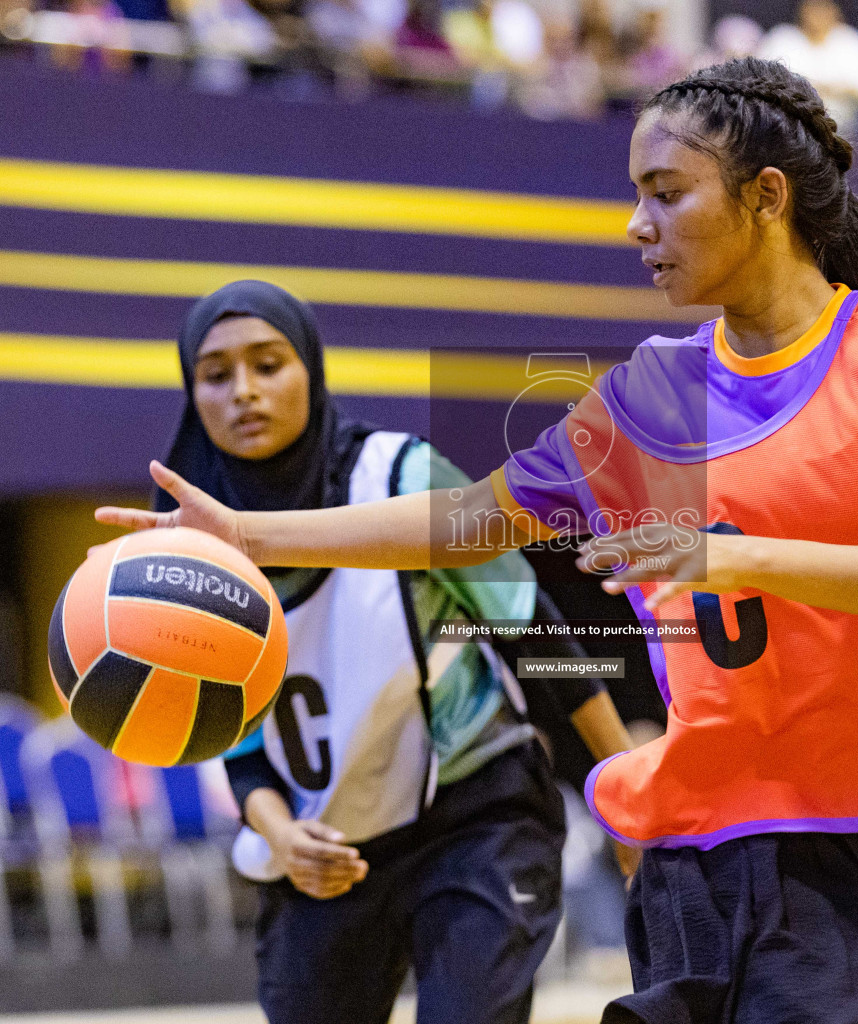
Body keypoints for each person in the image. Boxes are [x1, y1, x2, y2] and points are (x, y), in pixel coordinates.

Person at [99, 58, 858, 1024]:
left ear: (766, 196)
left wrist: (736, 554)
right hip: (744, 843)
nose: (638, 224)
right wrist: (240, 531)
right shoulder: (650, 398)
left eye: (667, 192)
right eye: (636, 194)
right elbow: (465, 521)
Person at [150, 281, 638, 1024]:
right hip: (328, 837)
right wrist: (282, 835)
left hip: (475, 808)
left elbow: (533, 628)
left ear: (311, 370)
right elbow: (234, 735)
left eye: (268, 364)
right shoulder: (186, 539)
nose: (244, 392)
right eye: (216, 375)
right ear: (193, 392)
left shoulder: (398, 473)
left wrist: (624, 794)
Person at [759, 0, 858, 125]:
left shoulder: (849, 39)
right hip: (789, 123)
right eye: (813, 8)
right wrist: (810, 89)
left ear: (835, 11)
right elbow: (759, 82)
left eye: (823, 7)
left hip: (846, 125)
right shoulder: (782, 38)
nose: (817, 14)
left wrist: (844, 90)